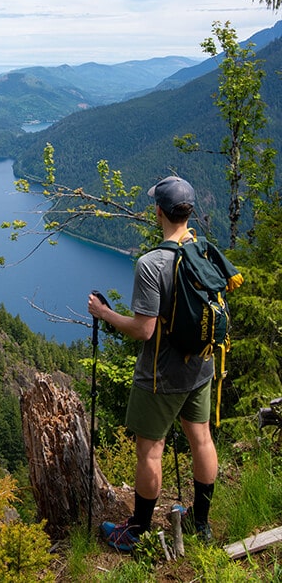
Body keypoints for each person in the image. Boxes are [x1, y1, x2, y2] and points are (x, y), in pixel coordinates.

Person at [88, 175, 217, 551]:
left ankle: (138, 531)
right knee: (202, 439)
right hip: (202, 365)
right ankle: (201, 523)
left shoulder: (152, 263)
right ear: (188, 212)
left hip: (161, 375)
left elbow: (144, 330)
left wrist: (102, 312)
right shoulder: (204, 251)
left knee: (150, 450)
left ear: (158, 211)